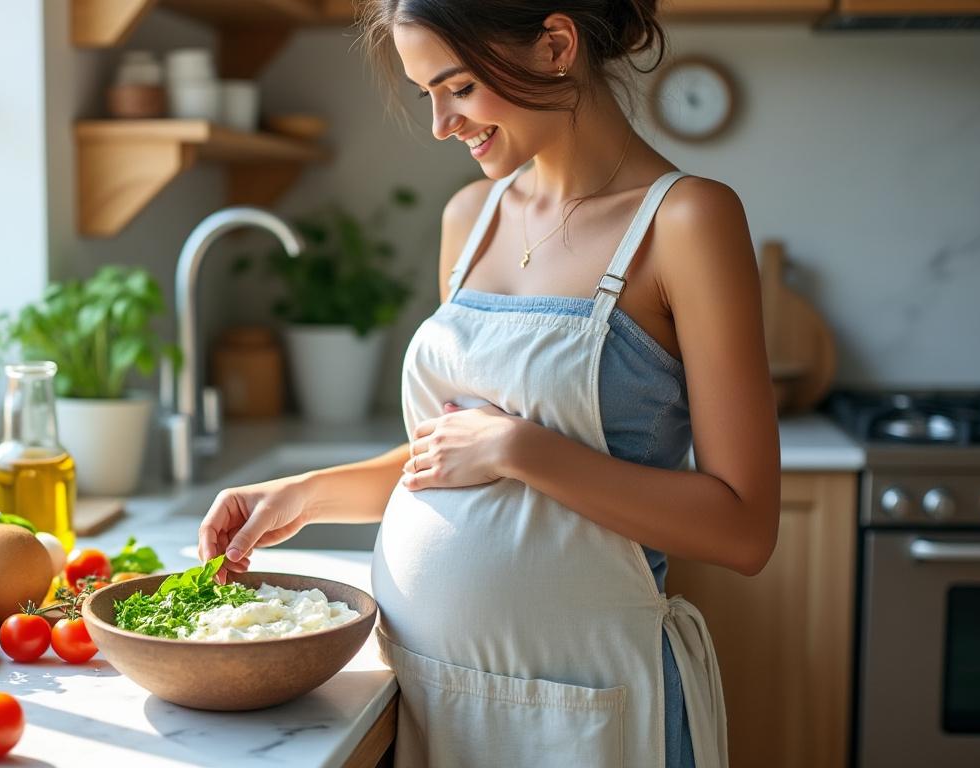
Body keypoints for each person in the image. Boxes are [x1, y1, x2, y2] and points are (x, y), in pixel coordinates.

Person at [198, 1, 779, 765]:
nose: (442, 123)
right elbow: (452, 461)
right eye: (426, 94)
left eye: (459, 87)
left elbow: (744, 529)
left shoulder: (687, 220)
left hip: (583, 709)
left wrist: (521, 448)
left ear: (555, 45)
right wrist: (303, 494)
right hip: (428, 695)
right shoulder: (470, 216)